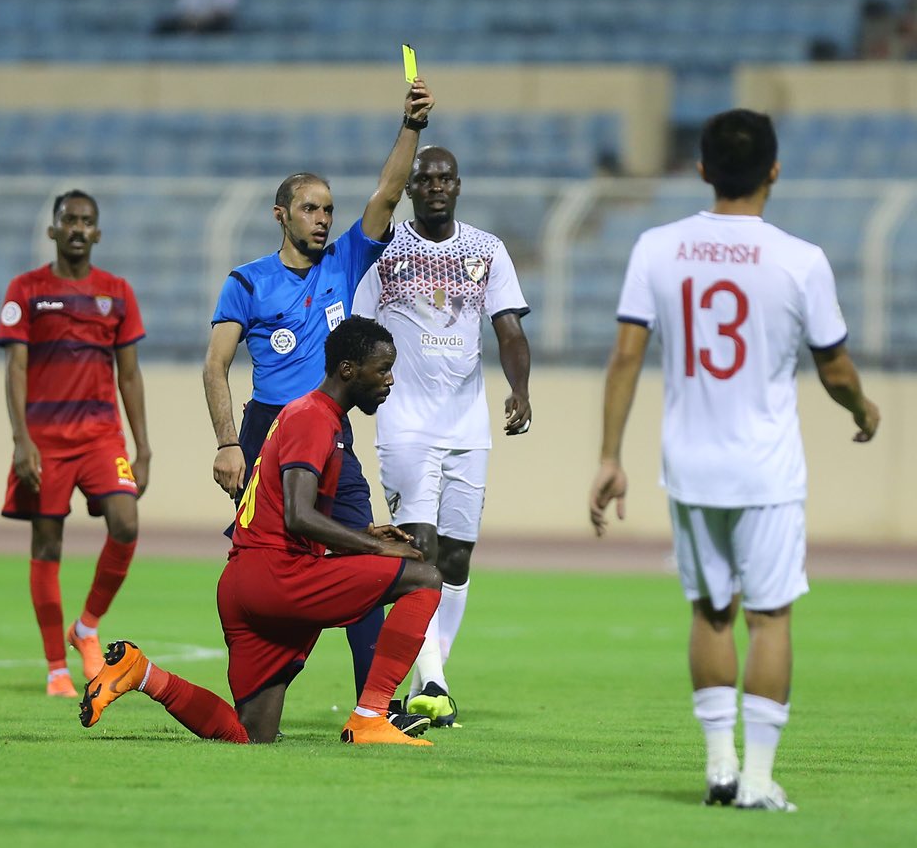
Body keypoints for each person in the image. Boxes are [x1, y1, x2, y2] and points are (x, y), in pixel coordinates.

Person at [588, 109, 880, 811]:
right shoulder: (800, 259)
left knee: (712, 611)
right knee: (771, 617)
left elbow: (627, 354)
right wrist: (862, 409)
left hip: (689, 465)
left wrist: (609, 455)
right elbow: (835, 369)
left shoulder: (658, 247)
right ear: (774, 171)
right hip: (766, 469)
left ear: (701, 169)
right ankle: (756, 780)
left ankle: (719, 769)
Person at [80, 316, 442, 746]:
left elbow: (286, 509)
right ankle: (371, 715)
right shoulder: (314, 418)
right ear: (348, 369)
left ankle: (142, 674)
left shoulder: (303, 414)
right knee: (425, 579)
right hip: (279, 576)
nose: (390, 380)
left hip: (242, 583)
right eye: (382, 369)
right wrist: (376, 550)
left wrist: (367, 533)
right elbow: (298, 516)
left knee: (250, 732)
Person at [202, 78, 435, 725]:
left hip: (329, 433)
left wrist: (410, 125)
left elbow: (387, 194)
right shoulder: (246, 281)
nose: (324, 218)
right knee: (269, 563)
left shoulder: (343, 263)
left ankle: (375, 710)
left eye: (328, 209)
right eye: (311, 208)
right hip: (267, 432)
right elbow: (215, 366)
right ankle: (261, 679)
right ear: (282, 214)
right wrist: (227, 444)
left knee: (366, 549)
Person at [352, 145, 532, 726]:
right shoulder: (387, 251)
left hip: (467, 423)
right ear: (411, 190)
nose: (434, 187)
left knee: (456, 555)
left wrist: (519, 388)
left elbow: (508, 329)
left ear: (459, 186)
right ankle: (432, 679)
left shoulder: (487, 249)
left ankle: (434, 678)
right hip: (404, 421)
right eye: (424, 179)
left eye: (445, 178)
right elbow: (359, 325)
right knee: (419, 548)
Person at [0, 190, 151, 698]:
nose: (79, 228)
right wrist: (21, 441)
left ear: (98, 233)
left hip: (102, 435)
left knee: (125, 523)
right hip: (45, 439)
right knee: (47, 543)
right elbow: (16, 368)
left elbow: (129, 375)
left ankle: (86, 625)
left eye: (87, 221)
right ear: (54, 229)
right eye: (70, 220)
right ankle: (55, 669)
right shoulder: (27, 290)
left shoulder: (117, 292)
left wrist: (142, 448)